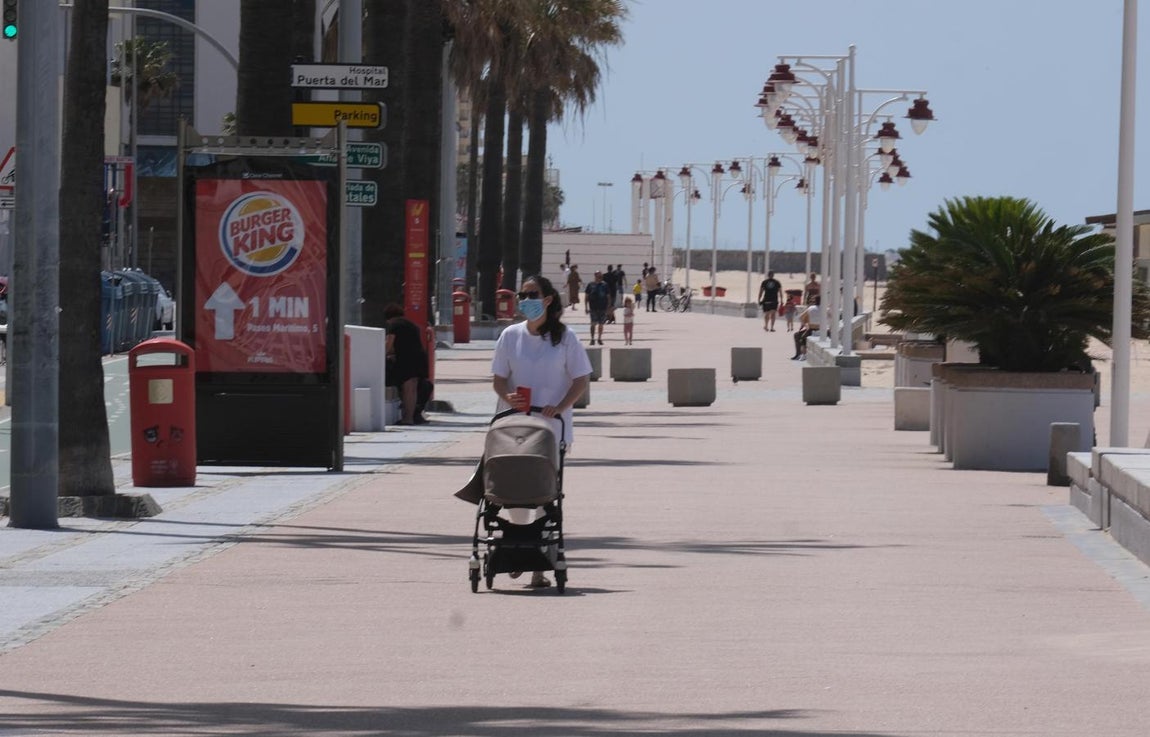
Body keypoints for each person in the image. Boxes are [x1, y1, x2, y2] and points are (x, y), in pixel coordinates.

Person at [491, 274, 592, 588]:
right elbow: (498, 378)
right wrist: (508, 396)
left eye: (532, 294)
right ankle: (517, 548)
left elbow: (580, 380)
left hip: (550, 431)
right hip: (513, 428)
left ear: (548, 299)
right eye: (523, 295)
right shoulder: (510, 336)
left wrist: (560, 406)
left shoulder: (564, 338)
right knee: (514, 495)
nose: (526, 301)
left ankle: (539, 566)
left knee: (544, 495)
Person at [384, 304, 430, 425]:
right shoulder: (410, 324)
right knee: (412, 388)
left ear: (389, 318)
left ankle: (408, 418)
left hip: (407, 359)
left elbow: (389, 343)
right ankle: (410, 416)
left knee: (408, 388)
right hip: (419, 358)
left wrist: (382, 354)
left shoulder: (393, 325)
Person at [585, 270, 610, 344]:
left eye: (601, 276)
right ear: (595, 276)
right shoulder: (590, 285)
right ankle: (592, 339)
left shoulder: (605, 285)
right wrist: (586, 307)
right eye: (598, 276)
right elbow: (586, 296)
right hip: (593, 308)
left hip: (602, 307)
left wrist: (608, 307)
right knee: (593, 324)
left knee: (601, 324)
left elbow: (608, 297)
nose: (600, 277)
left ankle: (599, 338)